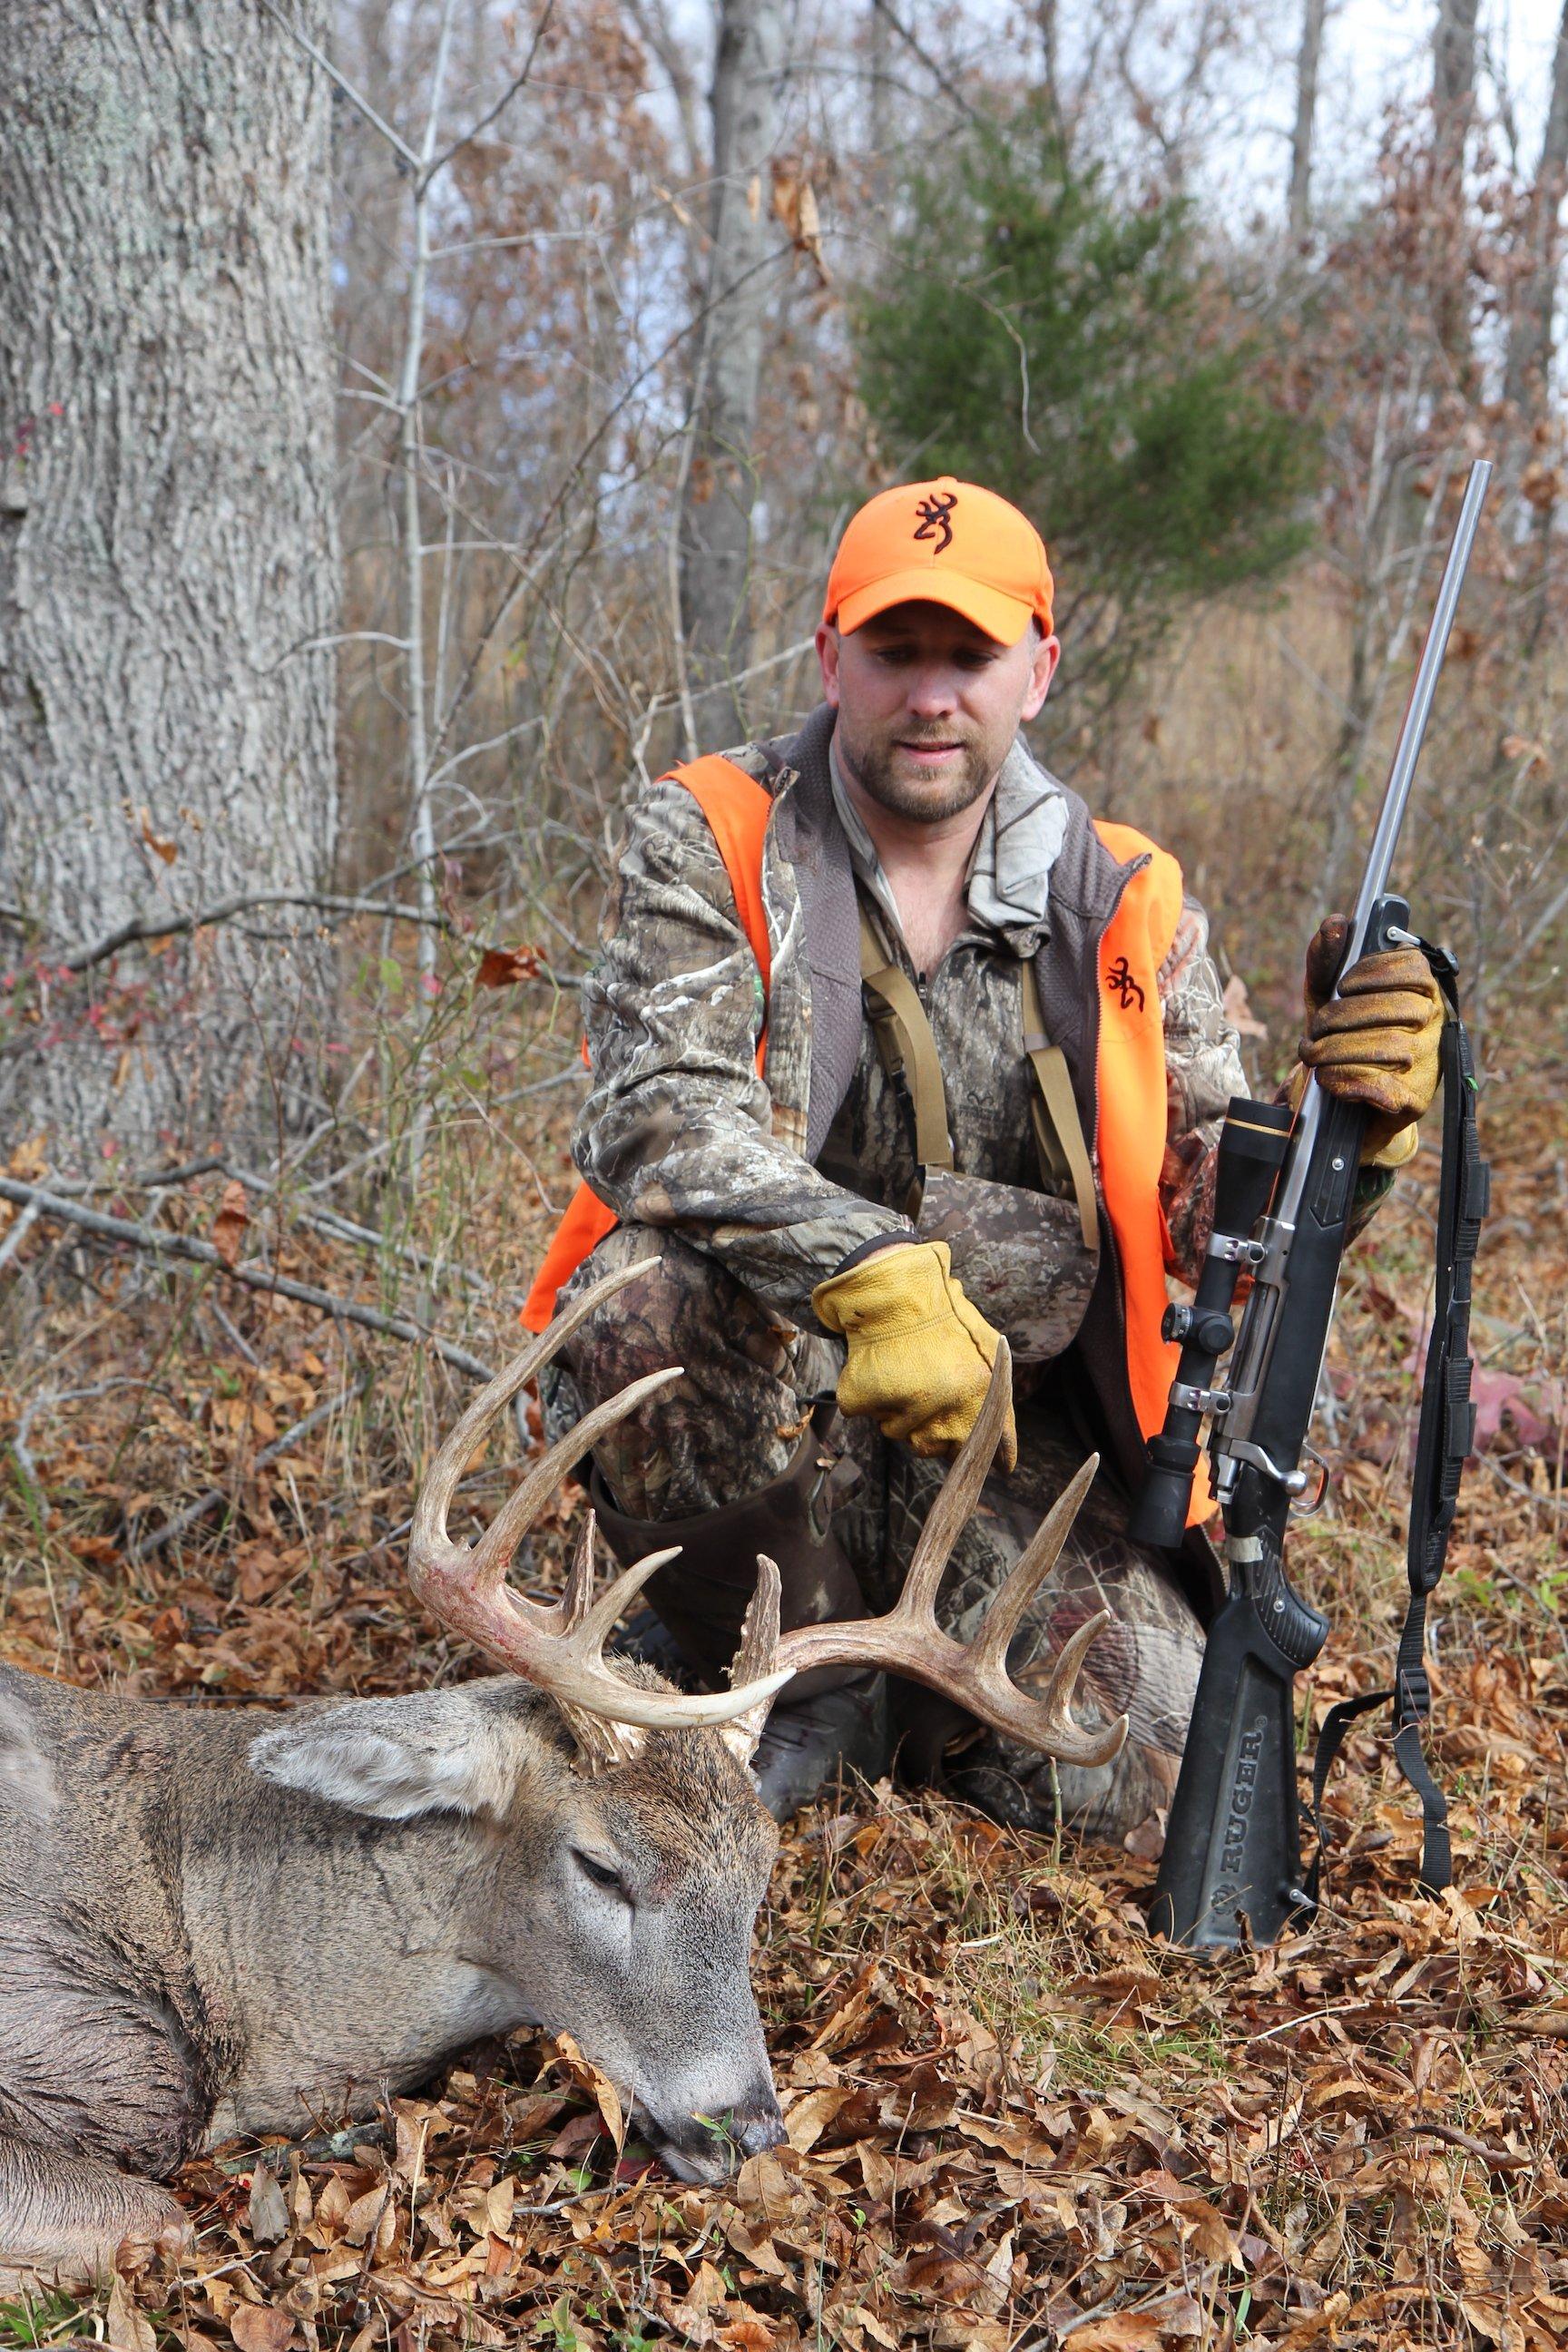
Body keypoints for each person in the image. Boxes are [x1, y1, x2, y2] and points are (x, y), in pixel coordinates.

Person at [524, 477, 1444, 1848]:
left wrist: (1347, 1136)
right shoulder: (716, 833)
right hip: (776, 1412)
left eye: (971, 656)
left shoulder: (1124, 900)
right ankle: (796, 1671)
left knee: (1143, 1784)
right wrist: (874, 1274)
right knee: (639, 1297)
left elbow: (1210, 1219)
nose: (931, 696)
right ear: (831, 657)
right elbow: (660, 1110)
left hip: (1025, 1443)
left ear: (1040, 670)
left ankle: (889, 1681)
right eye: (895, 653)